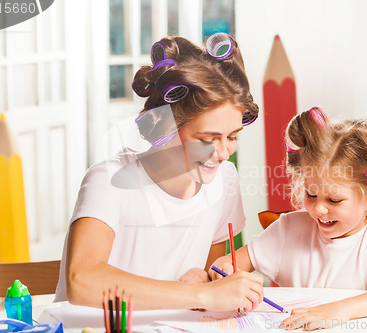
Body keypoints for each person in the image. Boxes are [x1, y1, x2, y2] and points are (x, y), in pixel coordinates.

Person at [54, 33, 265, 312]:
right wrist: (204, 296)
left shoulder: (224, 180)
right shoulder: (109, 181)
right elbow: (82, 281)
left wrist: (209, 281)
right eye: (207, 139)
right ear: (164, 128)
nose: (224, 153)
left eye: (233, 136)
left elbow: (210, 274)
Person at [210, 107, 367, 329]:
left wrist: (342, 310)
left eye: (334, 200)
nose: (319, 209)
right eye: (311, 194)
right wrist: (224, 270)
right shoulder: (288, 229)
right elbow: (231, 264)